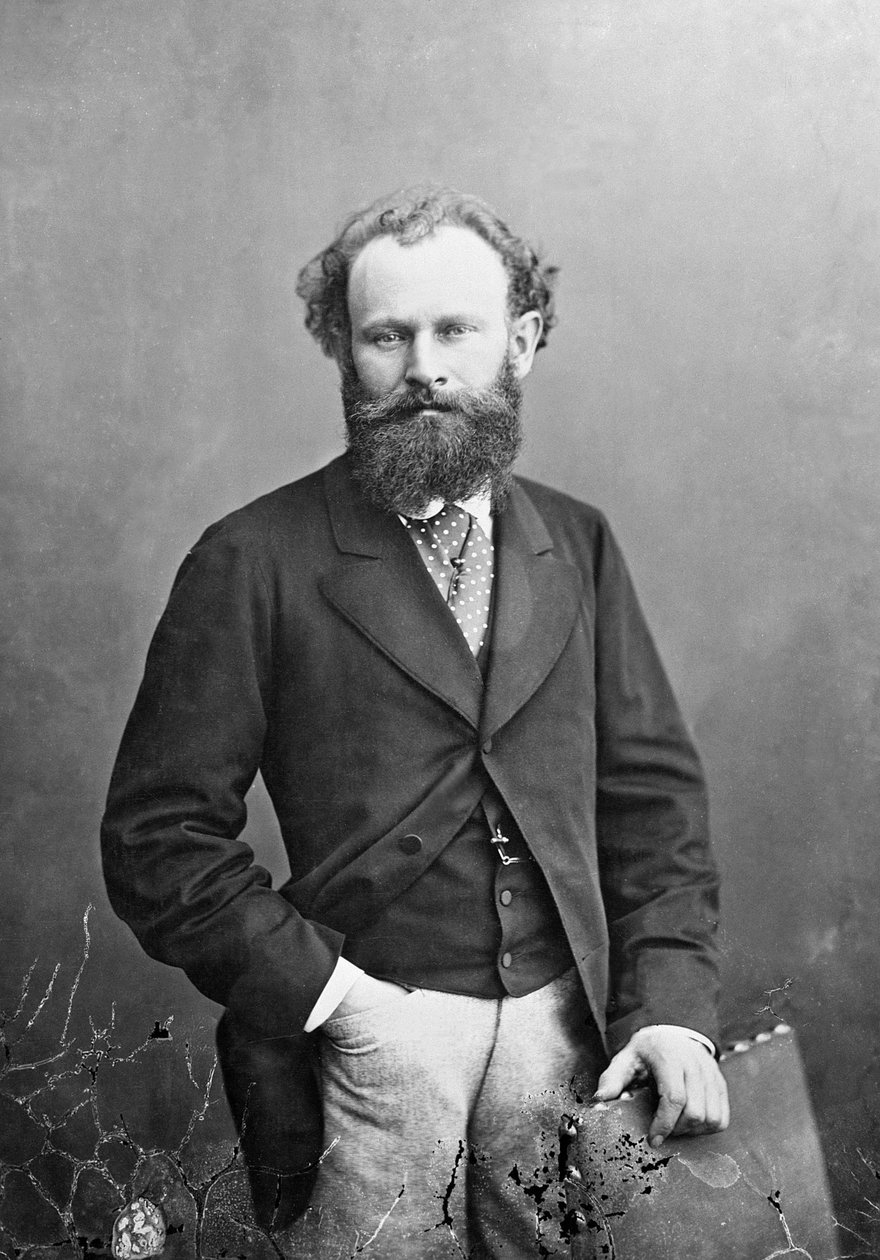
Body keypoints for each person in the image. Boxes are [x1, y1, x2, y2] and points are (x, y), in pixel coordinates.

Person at [101, 187, 728, 1258]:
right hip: (365, 1045)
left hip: (574, 1040)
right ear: (343, 350)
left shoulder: (577, 544)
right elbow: (157, 837)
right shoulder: (251, 559)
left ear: (520, 341)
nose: (422, 366)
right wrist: (334, 1000)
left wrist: (668, 1010)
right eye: (386, 336)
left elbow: (652, 805)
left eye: (455, 330)